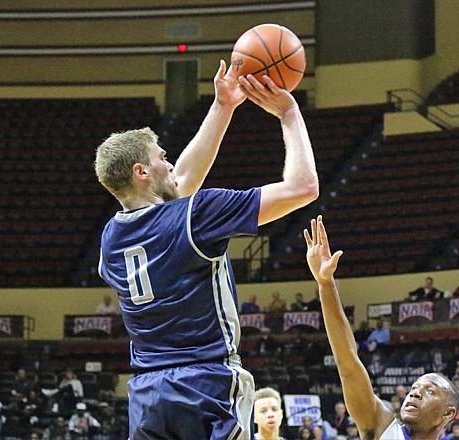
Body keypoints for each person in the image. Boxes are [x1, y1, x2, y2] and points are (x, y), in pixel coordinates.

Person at [95, 64, 318, 439]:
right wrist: (290, 114)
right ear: (141, 172)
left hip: (149, 396)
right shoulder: (196, 215)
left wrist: (223, 106)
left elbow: (178, 185)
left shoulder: (110, 240)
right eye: (161, 157)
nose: (170, 163)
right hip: (206, 382)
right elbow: (303, 188)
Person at [303, 216, 459, 439]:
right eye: (415, 388)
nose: (415, 394)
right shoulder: (382, 427)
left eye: (429, 391)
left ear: (448, 413)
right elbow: (347, 361)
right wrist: (326, 284)